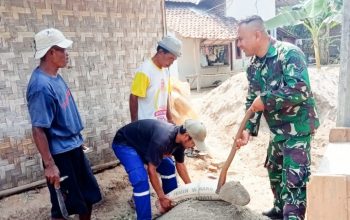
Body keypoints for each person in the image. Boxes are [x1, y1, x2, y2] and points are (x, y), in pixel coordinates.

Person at [235, 16, 320, 220]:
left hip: (298, 127)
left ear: (257, 35)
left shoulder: (289, 54)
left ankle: (292, 217)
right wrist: (247, 129)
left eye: (241, 39)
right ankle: (280, 210)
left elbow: (300, 89)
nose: (239, 44)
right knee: (274, 170)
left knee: (293, 179)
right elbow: (251, 101)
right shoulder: (254, 65)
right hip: (278, 130)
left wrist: (266, 100)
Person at [26, 28, 101, 220]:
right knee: (64, 206)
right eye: (63, 49)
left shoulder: (56, 77)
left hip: (74, 147)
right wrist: (50, 165)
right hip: (60, 155)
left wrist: (77, 139)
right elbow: (38, 129)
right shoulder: (40, 86)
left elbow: (63, 115)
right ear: (51, 52)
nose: (66, 54)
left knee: (88, 196)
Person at [112, 119, 207, 220]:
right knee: (140, 179)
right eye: (194, 143)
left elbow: (180, 165)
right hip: (125, 144)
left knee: (168, 166)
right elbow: (151, 170)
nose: (193, 147)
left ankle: (171, 204)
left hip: (144, 145)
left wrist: (191, 188)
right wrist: (161, 197)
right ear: (186, 136)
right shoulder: (163, 139)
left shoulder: (180, 142)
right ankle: (145, 218)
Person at [129, 35, 182, 123]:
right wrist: (134, 124)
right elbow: (133, 97)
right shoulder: (145, 70)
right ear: (161, 52)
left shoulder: (165, 71)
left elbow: (166, 96)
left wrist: (170, 119)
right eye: (170, 58)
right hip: (147, 126)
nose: (171, 63)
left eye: (174, 60)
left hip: (161, 124)